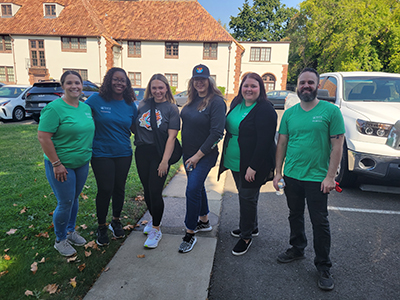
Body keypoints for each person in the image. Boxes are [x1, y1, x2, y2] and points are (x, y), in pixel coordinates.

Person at [273, 67, 345, 291]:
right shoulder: (290, 113)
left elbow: (337, 145)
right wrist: (277, 172)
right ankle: (297, 248)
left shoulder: (330, 112)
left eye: (310, 83)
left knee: (319, 221)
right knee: (294, 214)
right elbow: (282, 143)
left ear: (318, 86)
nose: (306, 86)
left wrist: (330, 176)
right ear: (297, 85)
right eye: (302, 82)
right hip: (292, 175)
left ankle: (323, 266)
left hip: (318, 178)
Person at [218, 72, 277, 256]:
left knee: (247, 198)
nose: (249, 89)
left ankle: (245, 237)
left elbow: (265, 141)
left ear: (260, 88)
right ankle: (252, 227)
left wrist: (254, 166)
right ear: (241, 87)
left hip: (252, 163)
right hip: (234, 160)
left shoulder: (265, 109)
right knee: (247, 197)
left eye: (253, 86)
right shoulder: (237, 103)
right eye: (246, 85)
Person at [38, 71, 95, 256]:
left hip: (82, 163)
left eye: (77, 82)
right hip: (61, 164)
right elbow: (43, 137)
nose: (74, 86)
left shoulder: (85, 108)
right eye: (69, 83)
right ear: (63, 86)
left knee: (75, 198)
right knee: (65, 202)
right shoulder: (54, 109)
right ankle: (60, 239)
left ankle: (70, 231)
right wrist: (56, 163)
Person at [85, 67, 137, 246]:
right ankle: (101, 226)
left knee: (119, 188)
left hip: (123, 153)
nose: (119, 83)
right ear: (108, 81)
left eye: (123, 80)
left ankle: (116, 220)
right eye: (116, 79)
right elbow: (80, 115)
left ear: (127, 83)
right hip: (101, 153)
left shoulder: (130, 104)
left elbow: (137, 128)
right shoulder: (96, 100)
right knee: (105, 189)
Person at [179, 64, 226, 253]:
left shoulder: (216, 102)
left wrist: (198, 155)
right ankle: (204, 221)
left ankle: (190, 233)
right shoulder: (191, 101)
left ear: (209, 80)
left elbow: (216, 133)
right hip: (188, 154)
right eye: (196, 79)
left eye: (203, 79)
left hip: (204, 155)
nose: (199, 82)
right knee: (197, 187)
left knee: (191, 190)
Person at [134, 74, 180, 249]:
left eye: (161, 87)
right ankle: (154, 218)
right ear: (150, 89)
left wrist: (165, 161)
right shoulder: (143, 105)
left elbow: (172, 137)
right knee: (146, 189)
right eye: (154, 88)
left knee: (155, 191)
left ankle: (156, 229)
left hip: (160, 153)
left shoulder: (171, 109)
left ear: (167, 88)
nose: (158, 91)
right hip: (142, 152)